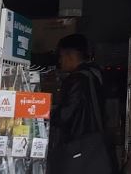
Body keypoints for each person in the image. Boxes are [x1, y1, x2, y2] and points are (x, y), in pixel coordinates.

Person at [51, 34, 118, 174]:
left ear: (70, 55)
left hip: (79, 143)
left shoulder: (77, 79)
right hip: (95, 142)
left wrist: (45, 115)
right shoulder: (95, 74)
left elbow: (65, 114)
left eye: (61, 56)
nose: (60, 61)